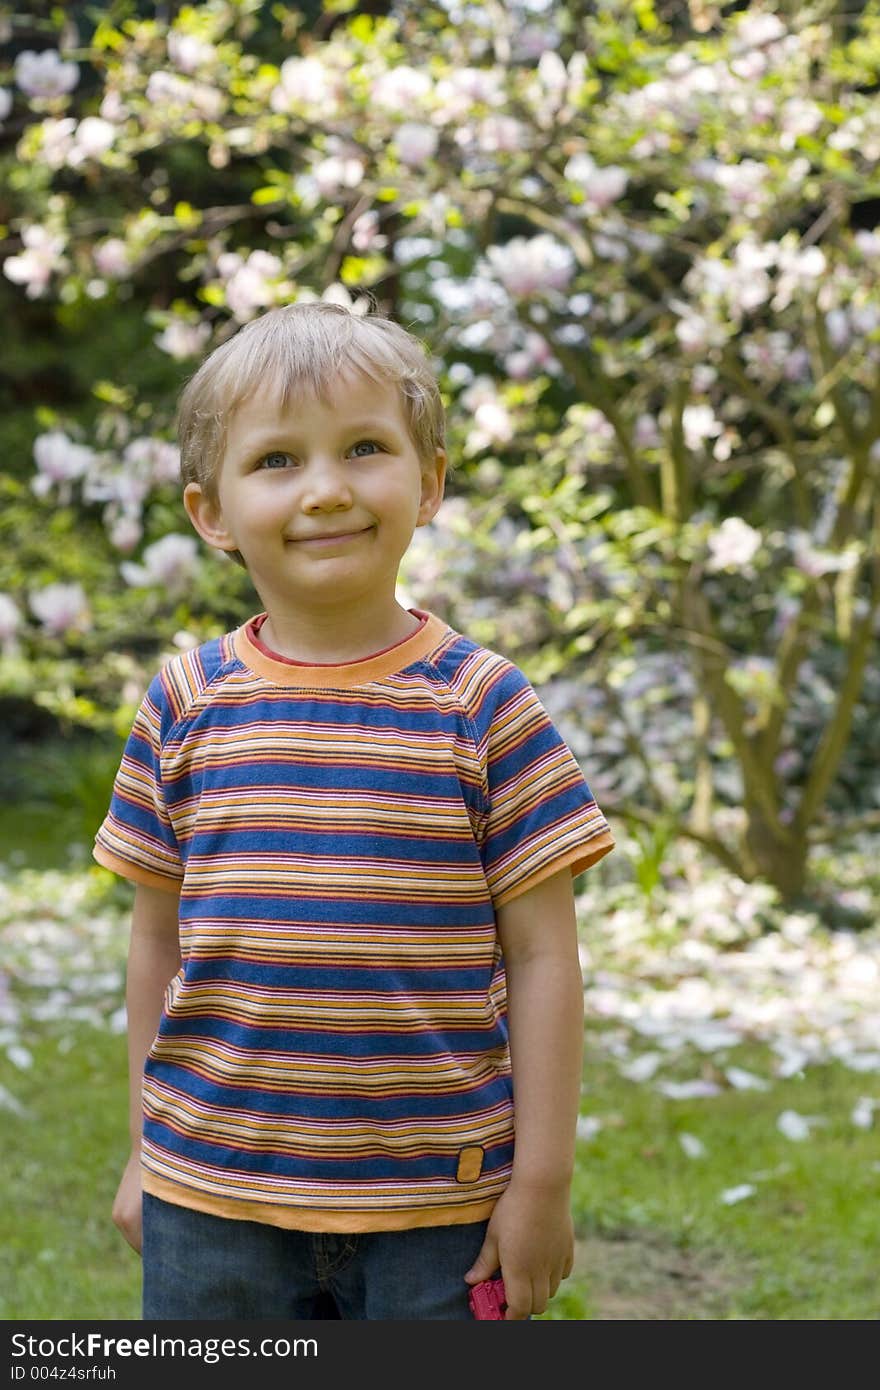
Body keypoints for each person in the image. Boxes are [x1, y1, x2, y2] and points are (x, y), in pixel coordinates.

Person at [93, 300, 614, 1321]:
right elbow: (155, 940)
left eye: (364, 448)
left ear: (427, 483)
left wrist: (540, 1180)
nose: (326, 490)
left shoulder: (483, 704)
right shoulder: (186, 703)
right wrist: (145, 1149)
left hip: (439, 1206)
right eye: (277, 460)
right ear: (211, 512)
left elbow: (547, 954)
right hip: (211, 1197)